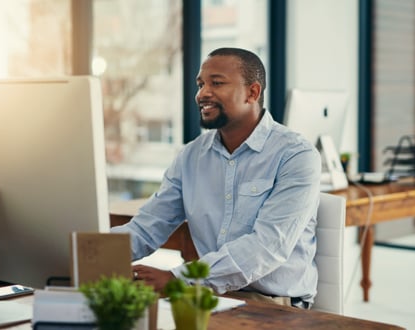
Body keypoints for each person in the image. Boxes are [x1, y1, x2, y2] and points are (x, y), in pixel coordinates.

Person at [111, 47, 321, 309]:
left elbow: (267, 247)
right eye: (200, 84)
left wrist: (177, 278)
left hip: (274, 305)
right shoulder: (191, 156)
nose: (202, 94)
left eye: (216, 83)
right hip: (210, 296)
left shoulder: (296, 155)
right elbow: (147, 227)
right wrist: (92, 254)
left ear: (252, 93)